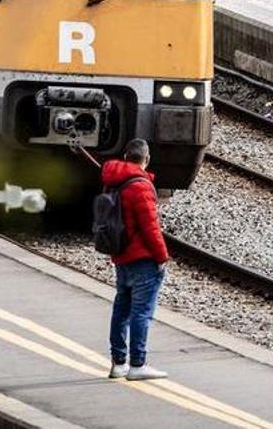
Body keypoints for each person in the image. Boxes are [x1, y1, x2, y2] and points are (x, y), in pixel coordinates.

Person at [101, 138, 170, 381]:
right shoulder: (140, 186)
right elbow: (151, 227)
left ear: (125, 156)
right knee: (141, 312)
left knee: (121, 309)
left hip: (121, 255)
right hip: (142, 259)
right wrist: (162, 257)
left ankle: (118, 363)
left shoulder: (113, 181)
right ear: (146, 159)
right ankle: (138, 364)